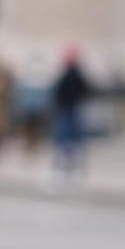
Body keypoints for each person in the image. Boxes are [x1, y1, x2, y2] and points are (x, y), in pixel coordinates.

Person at [51, 46, 92, 177]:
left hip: (69, 109)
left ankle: (67, 165)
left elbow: (58, 92)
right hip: (70, 109)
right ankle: (70, 165)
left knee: (67, 138)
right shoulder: (75, 74)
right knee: (71, 139)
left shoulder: (71, 75)